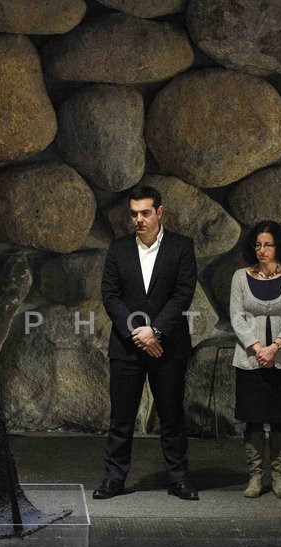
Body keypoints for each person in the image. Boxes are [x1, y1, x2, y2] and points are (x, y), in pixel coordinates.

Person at [93, 185, 199, 501]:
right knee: (121, 417)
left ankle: (178, 479)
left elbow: (183, 293)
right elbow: (110, 295)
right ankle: (114, 479)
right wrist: (138, 333)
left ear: (159, 212)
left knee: (172, 415)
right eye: (134, 214)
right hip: (127, 346)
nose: (139, 219)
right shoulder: (119, 249)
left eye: (145, 213)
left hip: (168, 346)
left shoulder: (181, 247)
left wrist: (156, 331)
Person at [229, 221, 281, 499]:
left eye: (268, 245)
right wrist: (258, 347)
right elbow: (236, 317)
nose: (262, 250)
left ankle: (279, 477)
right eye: (258, 245)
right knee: (253, 418)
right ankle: (255, 476)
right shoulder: (240, 277)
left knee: (280, 419)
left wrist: (274, 348)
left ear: (278, 246)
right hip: (251, 358)